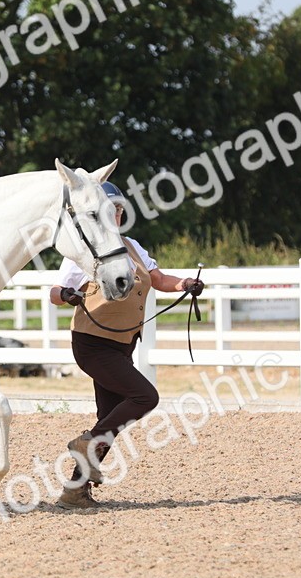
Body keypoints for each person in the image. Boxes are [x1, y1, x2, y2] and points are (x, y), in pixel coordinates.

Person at [50, 181, 203, 508]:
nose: (115, 214)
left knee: (109, 416)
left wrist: (186, 284)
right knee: (145, 396)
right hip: (92, 343)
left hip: (122, 345)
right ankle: (85, 444)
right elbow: (55, 292)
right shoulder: (86, 247)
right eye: (109, 210)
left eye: (118, 209)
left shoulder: (133, 247)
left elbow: (159, 280)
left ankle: (74, 492)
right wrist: (66, 295)